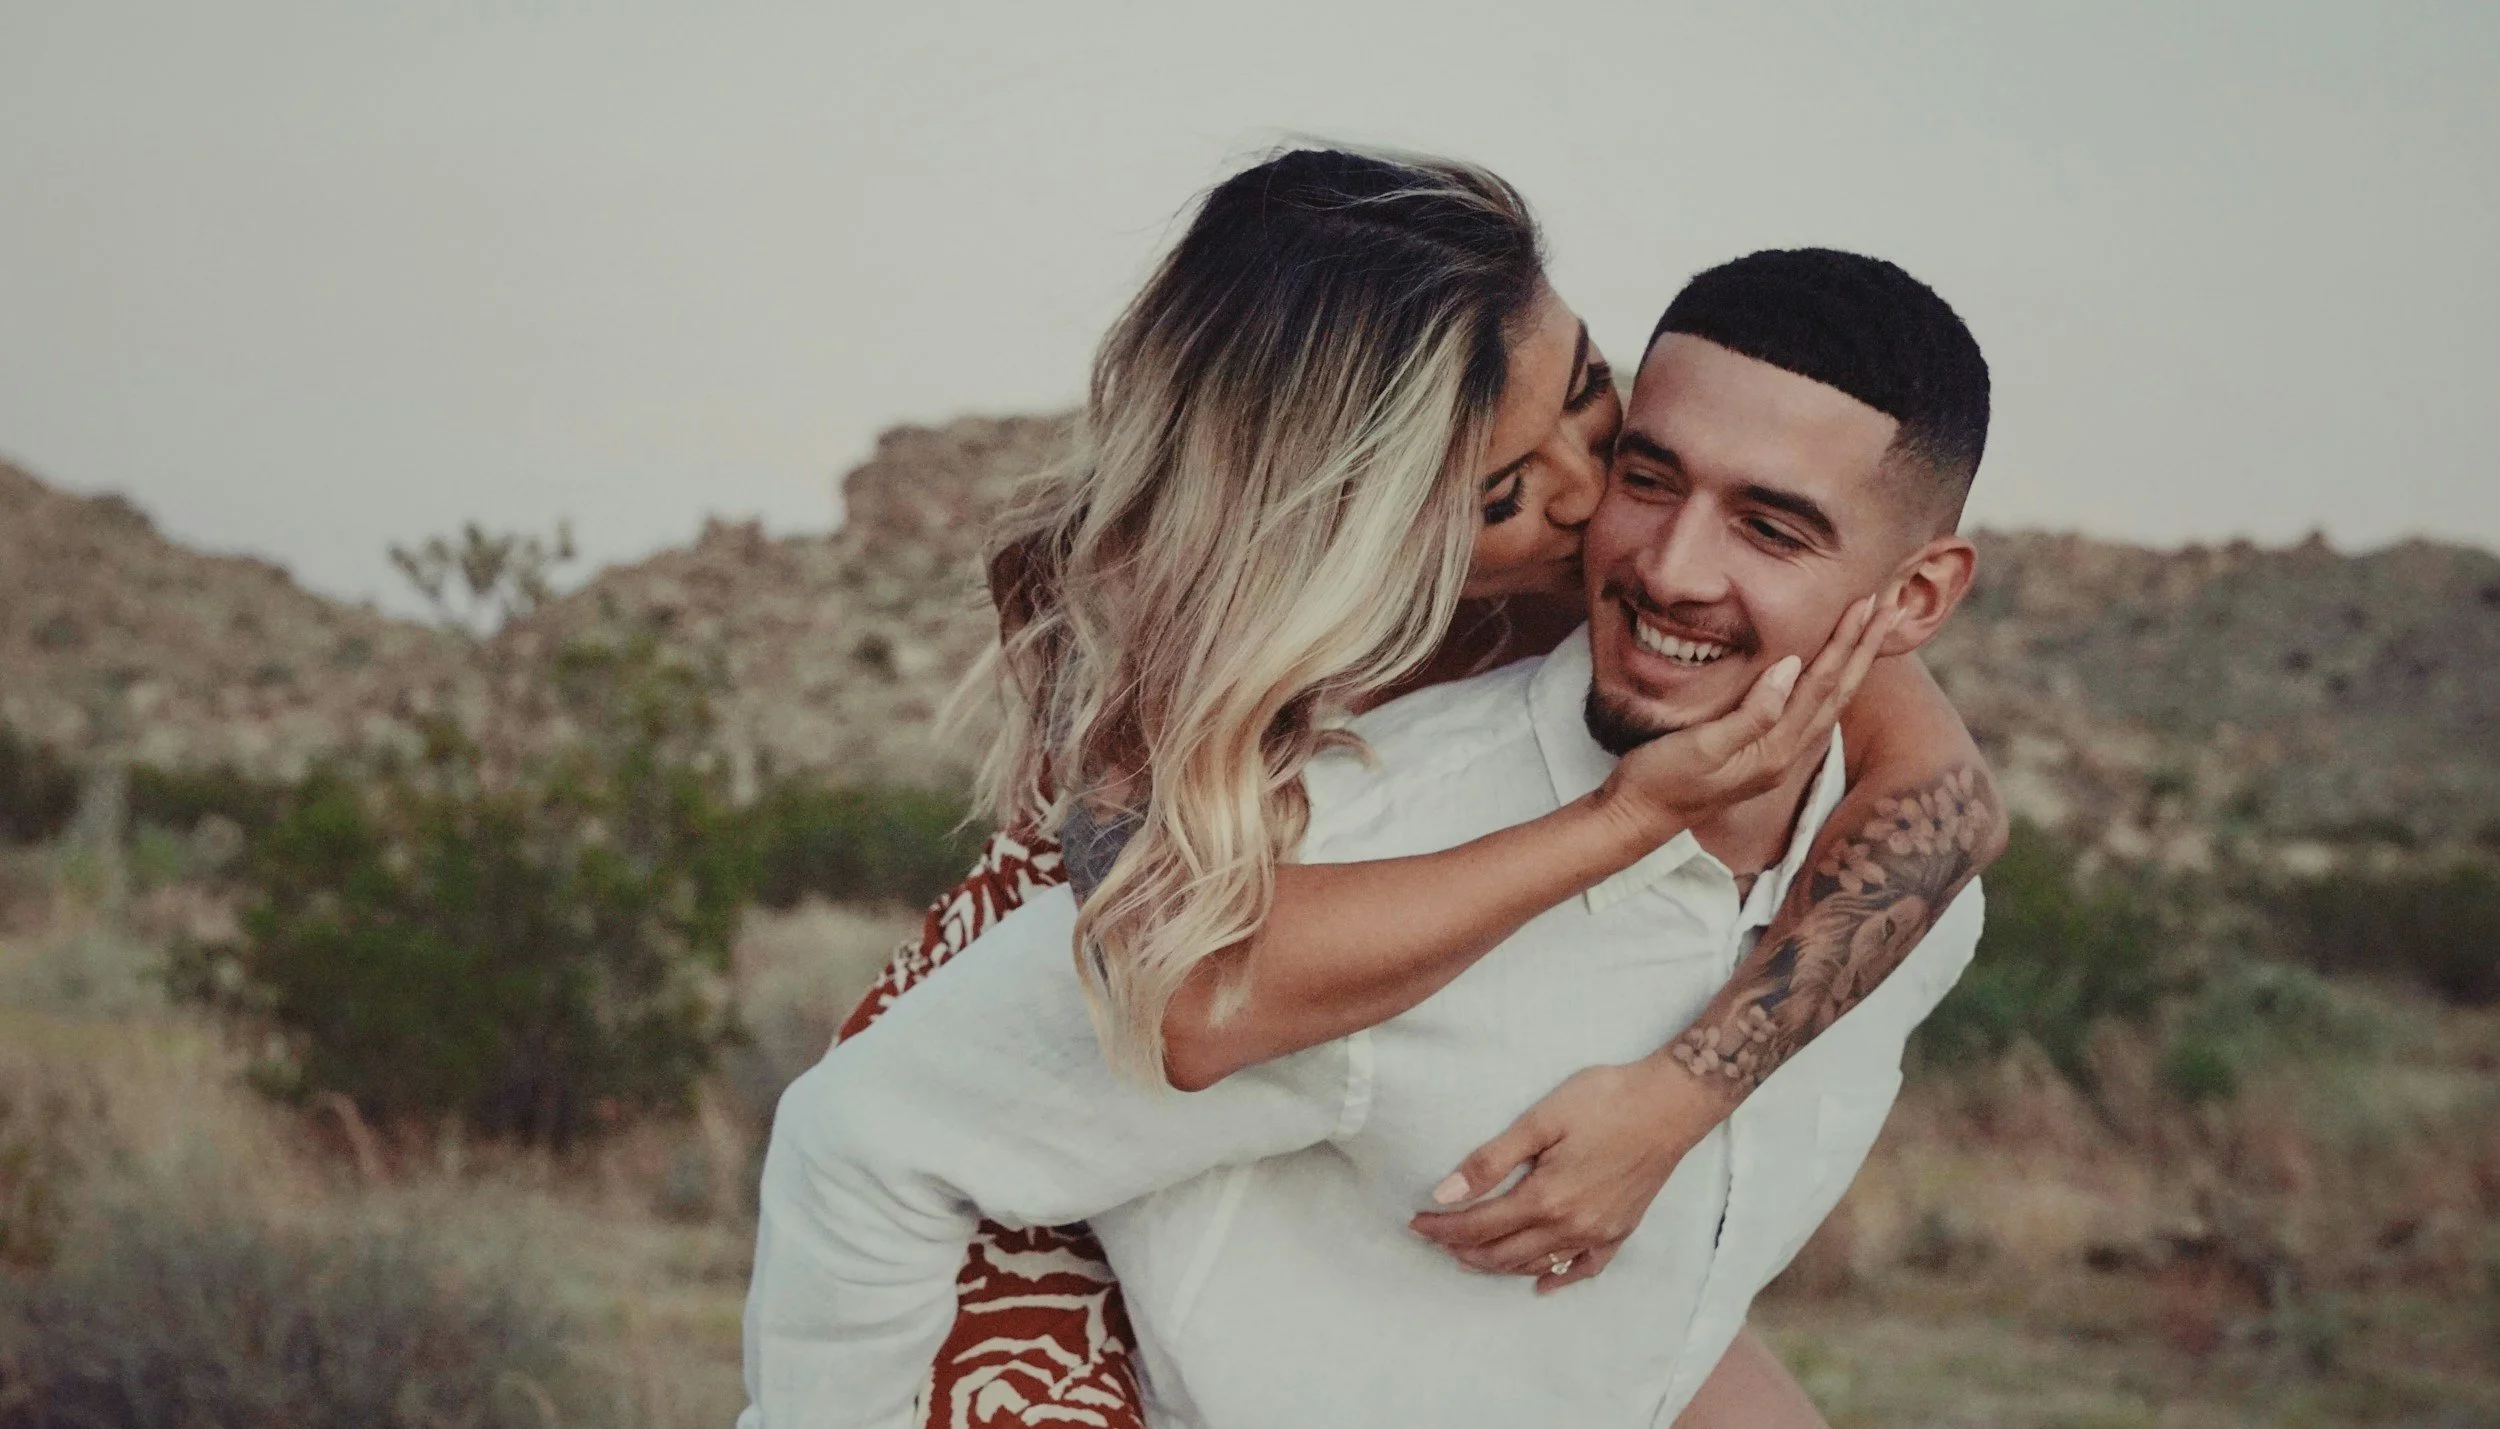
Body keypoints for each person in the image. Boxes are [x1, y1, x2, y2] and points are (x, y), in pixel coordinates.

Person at [750, 151, 1998, 1427]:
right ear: (1362, 525)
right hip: (1031, 1174)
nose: (1593, 504)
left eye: (1591, 401)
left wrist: (1687, 1091)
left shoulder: (1685, 596)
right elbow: (1185, 1001)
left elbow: (1942, 797)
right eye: (1505, 490)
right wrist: (1620, 822)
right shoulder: (1195, 705)